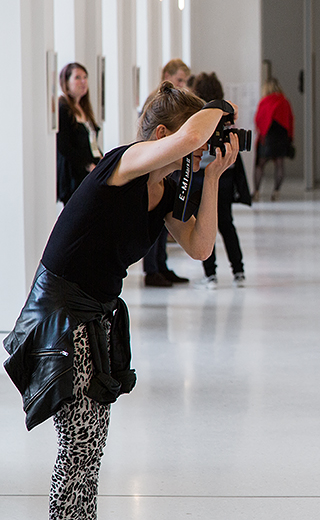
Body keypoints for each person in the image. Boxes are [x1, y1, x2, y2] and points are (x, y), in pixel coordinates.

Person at [3, 82, 239, 520]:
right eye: (193, 143)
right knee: (79, 445)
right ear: (162, 134)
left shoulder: (164, 192)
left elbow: (200, 246)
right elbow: (190, 137)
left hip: (95, 316)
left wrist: (212, 177)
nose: (195, 152)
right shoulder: (122, 162)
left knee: (91, 443)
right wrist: (219, 109)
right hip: (60, 314)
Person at [193, 72, 252, 288]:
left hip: (203, 175)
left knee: (205, 226)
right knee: (227, 223)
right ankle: (239, 271)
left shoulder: (199, 118)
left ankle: (210, 275)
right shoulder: (227, 116)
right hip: (225, 174)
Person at [143, 59, 193, 287]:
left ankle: (161, 266)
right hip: (156, 165)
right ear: (167, 75)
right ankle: (152, 269)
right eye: (180, 79)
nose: (183, 84)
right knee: (153, 222)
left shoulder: (175, 105)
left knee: (164, 221)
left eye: (185, 81)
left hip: (168, 165)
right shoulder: (156, 102)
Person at [56, 63, 101, 204]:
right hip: (73, 177)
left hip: (89, 173)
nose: (83, 82)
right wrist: (87, 165)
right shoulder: (63, 108)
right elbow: (64, 146)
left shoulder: (83, 108)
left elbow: (91, 142)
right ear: (66, 83)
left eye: (85, 77)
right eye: (77, 78)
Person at [253, 77, 295, 201]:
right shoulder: (284, 101)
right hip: (281, 136)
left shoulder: (264, 101)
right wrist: (290, 138)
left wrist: (262, 134)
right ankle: (276, 192)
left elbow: (258, 120)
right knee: (279, 165)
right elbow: (290, 120)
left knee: (260, 165)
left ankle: (256, 192)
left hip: (267, 137)